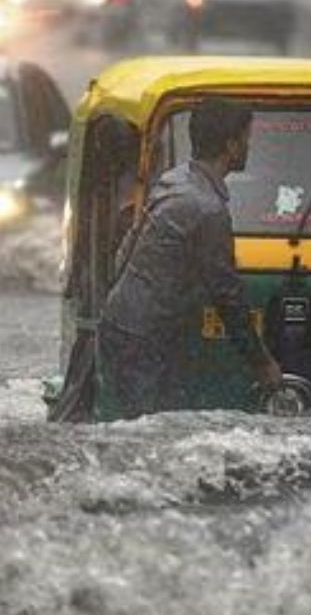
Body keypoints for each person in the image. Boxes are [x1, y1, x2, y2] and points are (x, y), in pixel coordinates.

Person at [97, 98, 283, 418]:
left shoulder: (174, 180)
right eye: (247, 138)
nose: (249, 147)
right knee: (146, 431)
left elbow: (126, 249)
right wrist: (262, 362)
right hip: (144, 339)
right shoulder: (207, 210)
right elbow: (228, 295)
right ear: (232, 145)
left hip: (121, 322)